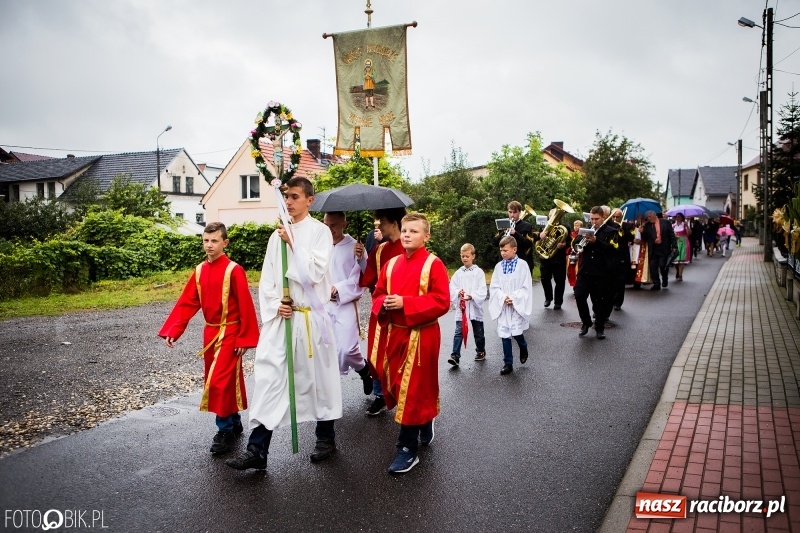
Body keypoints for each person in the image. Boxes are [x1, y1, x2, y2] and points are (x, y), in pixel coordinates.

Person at [226, 177, 341, 470]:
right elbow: (267, 278)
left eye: (294, 196)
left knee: (318, 380)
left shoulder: (320, 232)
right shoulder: (276, 235)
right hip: (283, 317)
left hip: (310, 317)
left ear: (309, 200)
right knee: (270, 379)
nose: (288, 201)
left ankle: (325, 438)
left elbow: (315, 273)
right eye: (286, 196)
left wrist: (294, 243)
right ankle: (257, 450)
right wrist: (276, 304)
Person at [159, 222, 259, 455]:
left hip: (231, 332)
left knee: (219, 381)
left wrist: (244, 338)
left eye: (214, 240)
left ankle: (223, 430)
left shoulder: (234, 270)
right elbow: (187, 302)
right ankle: (233, 420)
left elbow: (245, 305)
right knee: (221, 379)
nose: (209, 245)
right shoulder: (199, 270)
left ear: (225, 243)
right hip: (211, 332)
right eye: (206, 240)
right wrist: (173, 329)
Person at [370, 212, 450, 474]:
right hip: (395, 333)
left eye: (414, 231)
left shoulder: (433, 264)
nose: (407, 235)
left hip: (422, 335)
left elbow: (442, 301)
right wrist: (384, 304)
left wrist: (406, 303)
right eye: (405, 230)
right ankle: (424, 419)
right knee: (396, 383)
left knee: (413, 388)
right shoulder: (391, 264)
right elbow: (378, 294)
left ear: (426, 236)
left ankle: (407, 449)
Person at [358, 207, 406, 416]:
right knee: (376, 354)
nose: (379, 226)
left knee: (401, 356)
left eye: (382, 222)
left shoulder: (409, 248)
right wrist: (360, 257)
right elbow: (367, 277)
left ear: (394, 223)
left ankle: (403, 396)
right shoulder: (379, 250)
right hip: (381, 310)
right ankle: (379, 395)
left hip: (403, 313)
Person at [322, 211, 372, 394]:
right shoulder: (320, 245)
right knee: (325, 348)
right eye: (326, 224)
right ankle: (328, 392)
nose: (329, 229)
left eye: (333, 225)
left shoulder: (355, 247)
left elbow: (363, 276)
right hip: (323, 304)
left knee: (347, 349)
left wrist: (361, 258)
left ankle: (364, 370)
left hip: (346, 303)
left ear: (345, 224)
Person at [488, 236, 532, 375]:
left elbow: (526, 286)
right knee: (504, 334)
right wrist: (503, 297)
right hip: (503, 305)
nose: (503, 253)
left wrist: (513, 297)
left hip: (516, 305)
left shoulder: (522, 265)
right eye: (501, 250)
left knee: (516, 332)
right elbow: (494, 286)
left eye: (505, 250)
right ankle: (508, 363)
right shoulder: (498, 267)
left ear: (514, 249)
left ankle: (523, 346)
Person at [572, 206, 617, 339]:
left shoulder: (611, 231)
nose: (593, 222)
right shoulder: (586, 229)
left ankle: (599, 328)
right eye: (591, 219)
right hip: (585, 270)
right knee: (579, 296)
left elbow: (613, 250)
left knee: (599, 302)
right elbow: (575, 244)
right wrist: (579, 242)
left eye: (596, 219)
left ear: (603, 217)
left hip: (601, 272)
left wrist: (596, 241)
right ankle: (586, 322)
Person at [447, 243, 488, 366]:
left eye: (467, 256)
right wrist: (458, 292)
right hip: (462, 307)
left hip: (474, 306)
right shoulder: (458, 273)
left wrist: (472, 296)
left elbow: (482, 289)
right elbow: (452, 287)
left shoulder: (478, 272)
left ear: (473, 256)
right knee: (459, 331)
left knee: (478, 331)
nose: (464, 258)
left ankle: (480, 351)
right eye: (462, 256)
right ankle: (455, 355)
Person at [534, 208, 569, 310]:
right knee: (545, 279)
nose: (553, 217)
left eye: (556, 215)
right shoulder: (543, 227)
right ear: (548, 216)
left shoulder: (565, 227)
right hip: (546, 258)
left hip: (559, 258)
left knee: (560, 281)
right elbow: (536, 240)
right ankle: (548, 298)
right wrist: (540, 236)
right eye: (551, 216)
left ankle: (558, 302)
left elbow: (570, 241)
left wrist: (563, 244)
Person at [493, 201, 535, 275]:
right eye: (510, 212)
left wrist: (515, 233)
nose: (512, 215)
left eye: (515, 212)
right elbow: (495, 243)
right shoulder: (503, 224)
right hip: (503, 261)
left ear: (520, 213)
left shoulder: (527, 226)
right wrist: (503, 232)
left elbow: (528, 244)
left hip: (520, 261)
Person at [641, 210, 677, 291]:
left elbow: (671, 235)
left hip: (663, 248)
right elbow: (645, 238)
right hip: (653, 249)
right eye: (647, 217)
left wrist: (674, 246)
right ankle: (656, 283)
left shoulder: (665, 222)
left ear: (654, 215)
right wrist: (642, 232)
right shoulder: (647, 225)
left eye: (649, 217)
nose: (648, 219)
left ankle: (665, 277)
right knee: (653, 267)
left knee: (662, 265)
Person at [608, 208, 635, 310]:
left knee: (620, 281)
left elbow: (631, 238)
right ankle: (611, 300)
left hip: (622, 257)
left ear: (621, 217)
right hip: (611, 256)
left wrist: (623, 230)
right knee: (611, 280)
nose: (615, 219)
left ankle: (618, 302)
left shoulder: (627, 226)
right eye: (613, 217)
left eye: (617, 217)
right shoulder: (608, 225)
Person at [631, 214, 651, 288]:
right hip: (633, 248)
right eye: (638, 218)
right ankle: (633, 280)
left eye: (641, 218)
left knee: (640, 264)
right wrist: (632, 240)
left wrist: (642, 236)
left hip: (642, 248)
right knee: (633, 264)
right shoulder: (632, 227)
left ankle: (638, 281)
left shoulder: (645, 228)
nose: (639, 220)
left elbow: (649, 238)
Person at [671, 213, 691, 281]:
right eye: (676, 217)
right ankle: (677, 271)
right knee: (676, 260)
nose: (677, 218)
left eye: (679, 217)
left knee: (682, 260)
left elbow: (689, 233)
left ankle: (680, 275)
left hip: (683, 242)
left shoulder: (684, 225)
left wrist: (687, 225)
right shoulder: (673, 225)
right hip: (676, 243)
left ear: (682, 218)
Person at [567, 220, 583, 288]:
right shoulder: (571, 234)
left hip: (579, 255)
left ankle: (578, 284)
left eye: (577, 226)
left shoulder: (582, 234)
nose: (575, 227)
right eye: (575, 225)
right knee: (571, 271)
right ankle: (574, 284)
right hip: (572, 254)